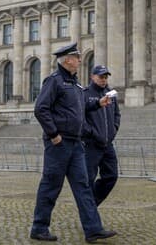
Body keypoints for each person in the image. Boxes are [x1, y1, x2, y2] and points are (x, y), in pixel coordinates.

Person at [30, 43, 117, 243]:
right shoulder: (54, 81)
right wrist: (54, 134)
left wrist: (97, 103)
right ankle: (39, 227)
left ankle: (93, 229)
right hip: (59, 144)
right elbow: (40, 109)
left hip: (77, 144)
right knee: (51, 185)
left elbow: (81, 106)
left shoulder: (76, 84)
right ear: (68, 60)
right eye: (77, 57)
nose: (80, 60)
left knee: (84, 187)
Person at [83, 65, 121, 206]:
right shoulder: (85, 93)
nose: (104, 79)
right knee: (88, 179)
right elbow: (80, 118)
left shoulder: (111, 94)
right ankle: (89, 211)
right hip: (91, 144)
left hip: (107, 143)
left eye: (105, 77)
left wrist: (113, 130)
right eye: (100, 77)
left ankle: (91, 204)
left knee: (111, 176)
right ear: (92, 76)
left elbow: (117, 114)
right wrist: (91, 133)